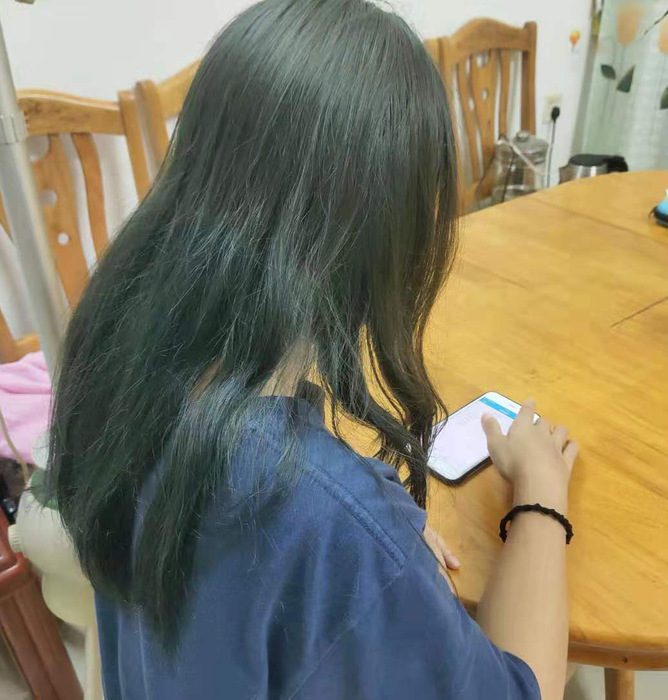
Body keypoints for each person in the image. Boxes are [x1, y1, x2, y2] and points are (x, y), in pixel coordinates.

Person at [47, 1, 578, 698]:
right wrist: (540, 493)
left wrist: (365, 550)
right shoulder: (324, 519)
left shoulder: (116, 360)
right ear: (392, 235)